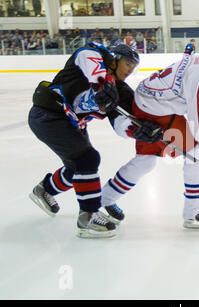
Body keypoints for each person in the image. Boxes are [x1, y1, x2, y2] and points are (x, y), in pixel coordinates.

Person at [100, 41, 199, 229]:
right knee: (197, 152)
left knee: (146, 161)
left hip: (151, 102)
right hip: (155, 108)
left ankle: (105, 198)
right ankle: (193, 213)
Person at [28, 43, 163, 238]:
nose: (130, 70)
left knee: (77, 168)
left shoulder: (121, 91)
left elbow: (121, 122)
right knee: (87, 159)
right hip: (48, 114)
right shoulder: (94, 56)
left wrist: (137, 130)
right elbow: (86, 53)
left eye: (134, 67)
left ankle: (43, 190)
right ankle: (88, 216)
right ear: (114, 59)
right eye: (128, 63)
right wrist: (102, 82)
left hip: (71, 123)